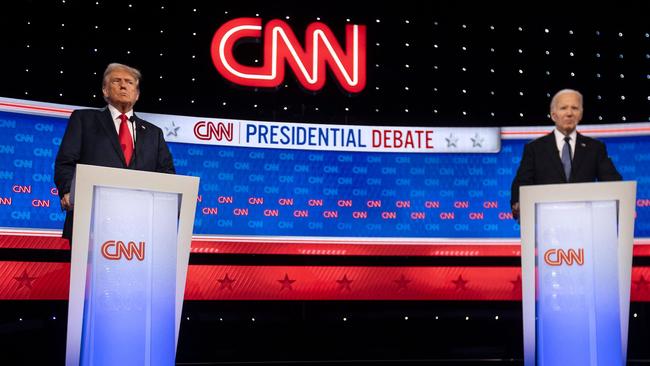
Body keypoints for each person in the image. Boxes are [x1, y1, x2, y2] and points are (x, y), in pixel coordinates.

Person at [54, 63, 175, 242]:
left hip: (140, 225)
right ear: (105, 90)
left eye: (129, 82)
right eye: (116, 81)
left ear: (137, 93)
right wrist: (67, 191)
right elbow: (66, 162)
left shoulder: (153, 133)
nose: (123, 85)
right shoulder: (84, 119)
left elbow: (167, 173)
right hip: (91, 221)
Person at [510, 89, 621, 219]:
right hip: (547, 222)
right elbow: (522, 183)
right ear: (553, 114)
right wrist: (518, 204)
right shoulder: (534, 148)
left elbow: (614, 183)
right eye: (563, 108)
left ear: (581, 114)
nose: (569, 113)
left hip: (584, 221)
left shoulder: (595, 148)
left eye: (575, 108)